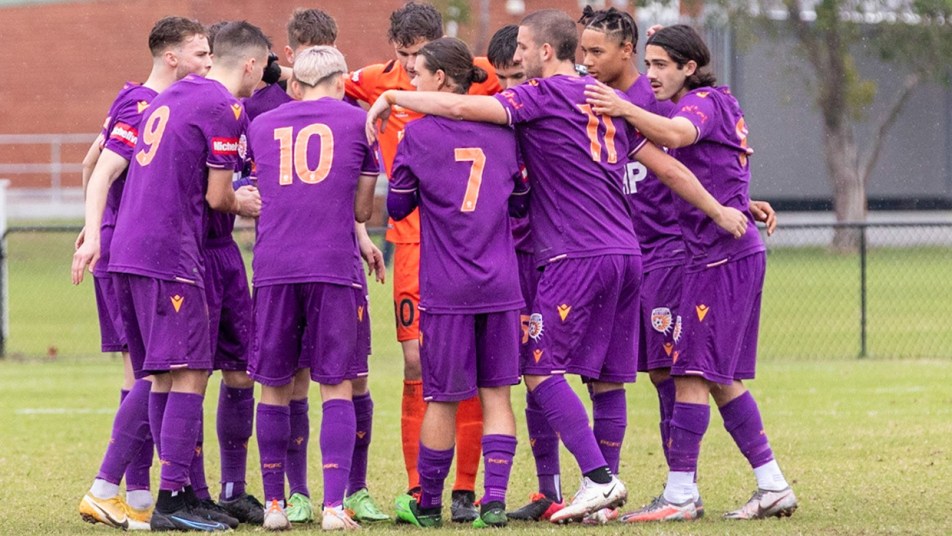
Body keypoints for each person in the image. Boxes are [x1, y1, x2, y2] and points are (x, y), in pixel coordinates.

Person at [366, 9, 747, 524]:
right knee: (609, 380)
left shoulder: (538, 96)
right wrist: (721, 208)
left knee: (537, 368)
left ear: (545, 51)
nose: (516, 56)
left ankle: (598, 479)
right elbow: (669, 167)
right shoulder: (601, 100)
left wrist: (395, 96)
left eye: (522, 47)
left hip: (575, 255)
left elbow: (460, 108)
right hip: (626, 256)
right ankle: (602, 501)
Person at [584, 24, 797, 522]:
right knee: (718, 378)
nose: (653, 74)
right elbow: (713, 166)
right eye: (650, 64)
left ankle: (681, 495)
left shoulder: (701, 102)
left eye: (662, 65)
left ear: (689, 68)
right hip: (715, 254)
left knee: (691, 372)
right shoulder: (703, 103)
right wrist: (738, 201)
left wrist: (623, 109)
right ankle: (772, 486)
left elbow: (679, 139)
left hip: (719, 256)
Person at [103, 20, 267, 532]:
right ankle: (169, 497)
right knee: (186, 370)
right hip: (169, 250)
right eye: (260, 70)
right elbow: (219, 196)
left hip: (136, 247)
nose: (259, 80)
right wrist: (244, 200)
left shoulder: (171, 96)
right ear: (249, 64)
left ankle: (187, 493)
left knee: (172, 370)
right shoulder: (223, 105)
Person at [344, 2, 500, 522]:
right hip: (410, 242)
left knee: (477, 371)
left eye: (418, 58)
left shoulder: (476, 76)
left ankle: (466, 488)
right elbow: (318, 87)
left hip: (470, 241)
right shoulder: (370, 80)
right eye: (402, 57)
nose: (410, 69)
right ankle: (419, 489)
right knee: (418, 365)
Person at [242, 9, 390, 524]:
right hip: (332, 266)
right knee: (338, 384)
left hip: (275, 267)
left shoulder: (262, 123)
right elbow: (361, 211)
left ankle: (277, 505)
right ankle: (332, 505)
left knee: (275, 385)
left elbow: (253, 189)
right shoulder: (358, 120)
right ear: (338, 80)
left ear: (297, 81)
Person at [71, 16, 213, 531]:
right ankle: (114, 489)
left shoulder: (146, 101)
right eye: (200, 54)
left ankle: (134, 494)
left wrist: (94, 224)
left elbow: (90, 164)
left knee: (144, 372)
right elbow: (101, 168)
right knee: (150, 374)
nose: (208, 64)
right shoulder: (143, 103)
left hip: (127, 245)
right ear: (172, 57)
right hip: (136, 252)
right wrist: (97, 228)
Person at [385, 37, 526, 529]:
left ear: (442, 79)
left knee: (441, 397)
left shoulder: (418, 136)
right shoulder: (507, 133)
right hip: (502, 285)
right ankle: (493, 502)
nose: (412, 82)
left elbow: (397, 206)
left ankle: (427, 505)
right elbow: (521, 203)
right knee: (497, 395)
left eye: (418, 74)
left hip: (448, 288)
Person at [484, 23, 566, 523]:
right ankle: (548, 488)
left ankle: (603, 481)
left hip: (560, 256)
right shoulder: (497, 119)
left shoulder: (558, 106)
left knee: (592, 376)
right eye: (504, 79)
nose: (513, 88)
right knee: (524, 373)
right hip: (512, 264)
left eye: (519, 74)